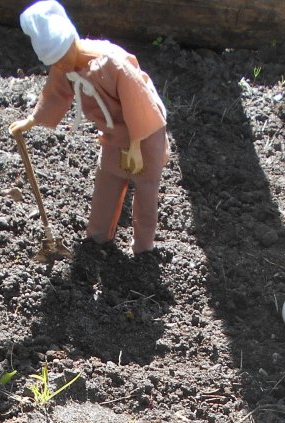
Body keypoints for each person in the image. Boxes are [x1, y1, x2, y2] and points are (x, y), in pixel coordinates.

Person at [9, 0, 168, 256]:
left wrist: (137, 145)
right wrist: (32, 120)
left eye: (61, 59)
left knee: (145, 191)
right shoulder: (67, 67)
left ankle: (143, 249)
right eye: (55, 63)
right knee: (107, 180)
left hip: (145, 133)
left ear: (72, 42)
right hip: (114, 134)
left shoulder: (112, 64)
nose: (59, 67)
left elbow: (140, 105)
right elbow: (55, 94)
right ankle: (97, 239)